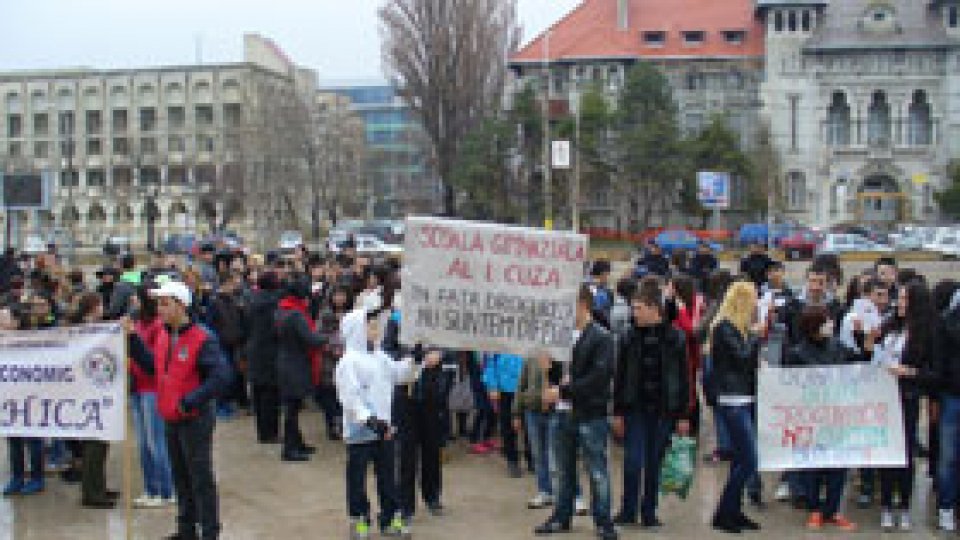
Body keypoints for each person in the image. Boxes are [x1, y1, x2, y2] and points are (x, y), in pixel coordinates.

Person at [128, 279, 233, 540]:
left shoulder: (202, 337)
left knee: (200, 477)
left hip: (194, 418)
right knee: (180, 476)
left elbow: (220, 377)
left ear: (181, 305)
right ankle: (186, 529)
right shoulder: (165, 334)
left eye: (165, 303)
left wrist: (190, 401)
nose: (160, 309)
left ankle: (209, 531)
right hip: (171, 415)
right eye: (158, 303)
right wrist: (132, 340)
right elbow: (154, 367)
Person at [535, 285, 618, 540]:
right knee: (562, 470)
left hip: (590, 414)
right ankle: (561, 516)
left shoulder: (602, 338)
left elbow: (598, 378)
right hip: (563, 414)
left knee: (597, 471)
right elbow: (561, 377)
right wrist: (549, 370)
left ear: (583, 304)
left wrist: (562, 392)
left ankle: (603, 522)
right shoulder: (561, 337)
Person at [335, 306, 422, 539]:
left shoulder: (381, 357)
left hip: (384, 430)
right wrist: (370, 420)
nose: (376, 329)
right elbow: (350, 398)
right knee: (358, 479)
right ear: (357, 329)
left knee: (387, 476)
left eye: (376, 325)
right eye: (370, 325)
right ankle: (360, 519)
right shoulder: (349, 362)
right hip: (360, 431)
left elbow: (400, 374)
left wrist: (415, 360)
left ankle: (389, 518)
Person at [612, 280, 690, 529]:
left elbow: (684, 376)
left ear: (654, 308)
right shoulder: (627, 337)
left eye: (638, 308)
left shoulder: (675, 338)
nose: (633, 313)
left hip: (664, 410)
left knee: (655, 464)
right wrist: (618, 412)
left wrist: (683, 415)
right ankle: (627, 510)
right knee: (633, 462)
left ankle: (649, 512)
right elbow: (620, 375)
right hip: (635, 409)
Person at [865, 282, 936, 532]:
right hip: (884, 397)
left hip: (907, 397)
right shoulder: (889, 326)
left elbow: (932, 373)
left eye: (906, 299)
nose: (900, 303)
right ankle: (885, 505)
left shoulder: (925, 333)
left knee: (905, 453)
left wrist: (908, 371)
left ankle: (904, 505)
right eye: (900, 299)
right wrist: (870, 340)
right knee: (886, 452)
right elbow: (871, 355)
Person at [784, 305, 858, 532]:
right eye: (826, 321)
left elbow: (860, 362)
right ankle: (815, 508)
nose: (831, 325)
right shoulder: (797, 353)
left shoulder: (838, 348)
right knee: (812, 464)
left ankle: (833, 509)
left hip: (836, 415)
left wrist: (866, 342)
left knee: (838, 464)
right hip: (811, 417)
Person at [709, 281, 762, 534]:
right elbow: (741, 357)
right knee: (749, 459)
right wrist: (754, 335)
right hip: (733, 400)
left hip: (743, 396)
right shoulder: (724, 328)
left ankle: (733, 511)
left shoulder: (736, 329)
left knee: (741, 459)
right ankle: (723, 512)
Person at [130, 286, 176, 508]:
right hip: (137, 388)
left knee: (155, 441)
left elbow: (153, 362)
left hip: (152, 389)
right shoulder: (139, 324)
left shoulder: (159, 328)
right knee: (143, 443)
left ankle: (166, 489)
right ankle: (150, 487)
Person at [275, 278, 327, 462]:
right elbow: (311, 339)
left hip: (285, 362)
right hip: (295, 365)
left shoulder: (282, 310)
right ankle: (290, 449)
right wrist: (328, 337)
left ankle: (297, 443)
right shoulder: (296, 315)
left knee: (292, 409)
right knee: (292, 410)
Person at [1, 304, 44, 497]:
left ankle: (37, 477)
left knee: (33, 439)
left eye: (4, 318)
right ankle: (17, 476)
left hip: (30, 396)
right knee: (13, 439)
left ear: (17, 322)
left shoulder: (32, 341)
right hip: (10, 397)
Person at [933, 282, 960, 531]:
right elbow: (939, 361)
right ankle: (946, 507)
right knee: (949, 457)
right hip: (952, 394)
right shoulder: (948, 320)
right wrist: (935, 397)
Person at [246, 272, 282, 444]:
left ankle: (262, 432)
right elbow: (276, 329)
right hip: (269, 352)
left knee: (258, 394)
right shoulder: (273, 303)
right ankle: (271, 433)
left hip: (254, 350)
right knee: (270, 395)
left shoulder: (252, 300)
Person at [483, 352, 525, 478]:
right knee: (507, 427)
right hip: (504, 390)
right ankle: (512, 461)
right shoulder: (498, 343)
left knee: (527, 425)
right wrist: (492, 386)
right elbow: (490, 365)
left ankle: (532, 459)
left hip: (526, 388)